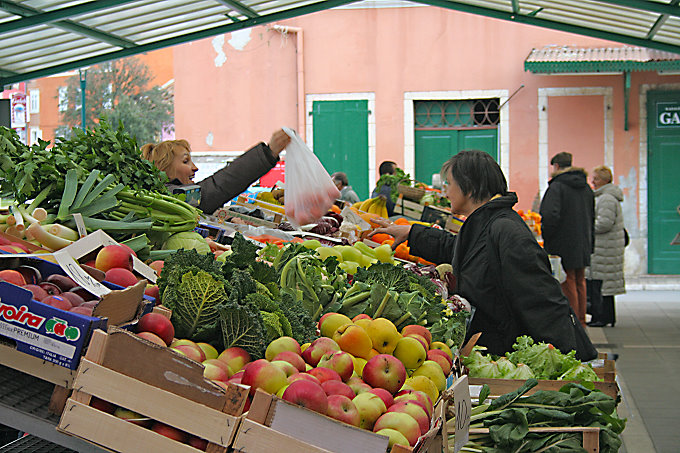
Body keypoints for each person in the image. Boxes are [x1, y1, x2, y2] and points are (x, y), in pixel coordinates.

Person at [370, 150, 597, 360]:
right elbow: (458, 248)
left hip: (505, 351)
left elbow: (542, 300)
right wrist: (412, 233)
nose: (445, 191)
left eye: (450, 184)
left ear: (468, 187)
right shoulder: (484, 222)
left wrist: (567, 361)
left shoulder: (507, 230)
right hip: (491, 348)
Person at [141, 129, 290, 215]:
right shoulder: (169, 197)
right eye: (185, 161)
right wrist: (268, 153)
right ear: (163, 170)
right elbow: (215, 189)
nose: (195, 168)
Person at [539, 152, 594, 327]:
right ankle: (582, 320)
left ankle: (574, 322)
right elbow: (593, 215)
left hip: (562, 241)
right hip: (583, 239)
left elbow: (549, 215)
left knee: (566, 279)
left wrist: (548, 236)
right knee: (580, 279)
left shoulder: (557, 187)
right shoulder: (586, 187)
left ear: (556, 167)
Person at [587, 166, 625, 327]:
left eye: (595, 178)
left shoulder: (606, 199)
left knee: (600, 285)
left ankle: (601, 317)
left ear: (603, 180)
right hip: (607, 248)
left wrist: (586, 226)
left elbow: (604, 223)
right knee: (605, 285)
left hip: (604, 248)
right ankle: (606, 317)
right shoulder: (607, 197)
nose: (593, 182)